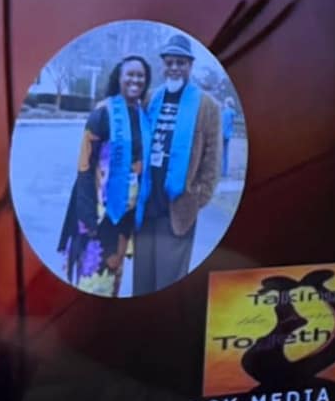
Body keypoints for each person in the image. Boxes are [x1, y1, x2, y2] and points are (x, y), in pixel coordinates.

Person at [63, 55, 154, 296]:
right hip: (100, 213)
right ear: (119, 78)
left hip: (126, 215)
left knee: (114, 275)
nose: (135, 80)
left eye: (140, 76)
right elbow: (84, 166)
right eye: (130, 75)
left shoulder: (142, 115)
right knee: (93, 279)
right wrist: (87, 214)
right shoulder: (103, 113)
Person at [143, 41, 229, 285]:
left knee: (170, 279)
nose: (174, 68)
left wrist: (198, 196)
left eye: (180, 63)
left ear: (190, 65)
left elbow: (213, 158)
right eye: (169, 62)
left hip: (180, 205)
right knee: (144, 279)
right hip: (148, 204)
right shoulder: (151, 99)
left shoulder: (206, 106)